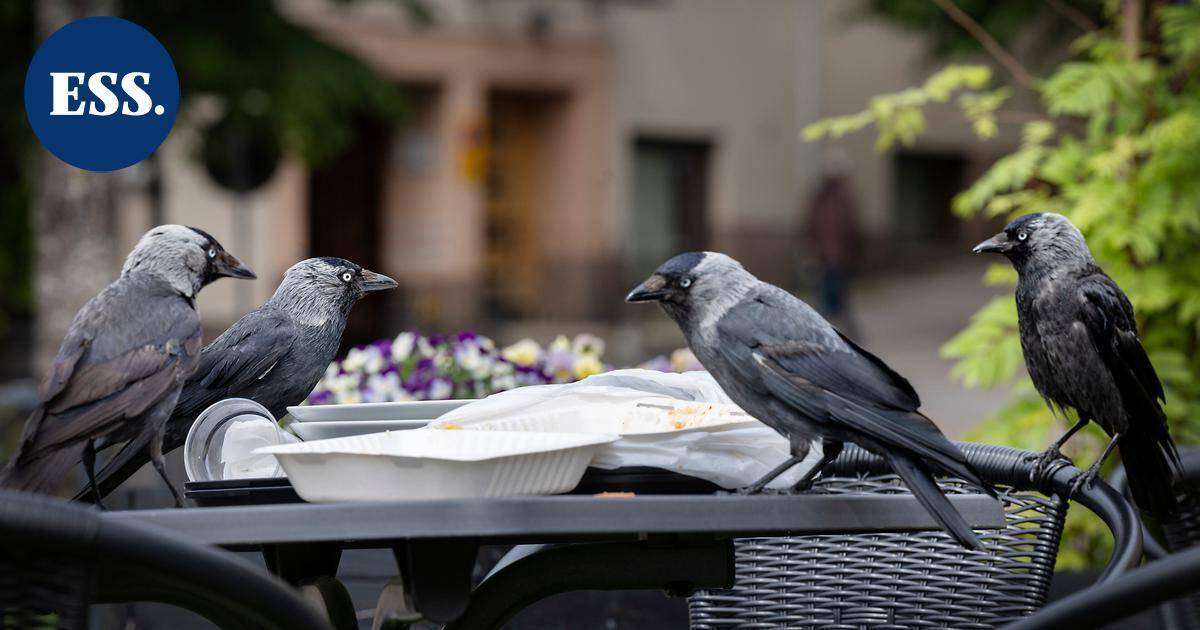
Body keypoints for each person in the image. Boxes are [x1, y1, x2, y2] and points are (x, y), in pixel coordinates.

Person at [803, 153, 862, 334]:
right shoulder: (824, 197)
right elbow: (810, 225)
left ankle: (828, 329)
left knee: (834, 294)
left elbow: (852, 228)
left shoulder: (841, 197)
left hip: (835, 256)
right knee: (831, 295)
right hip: (829, 256)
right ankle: (824, 330)